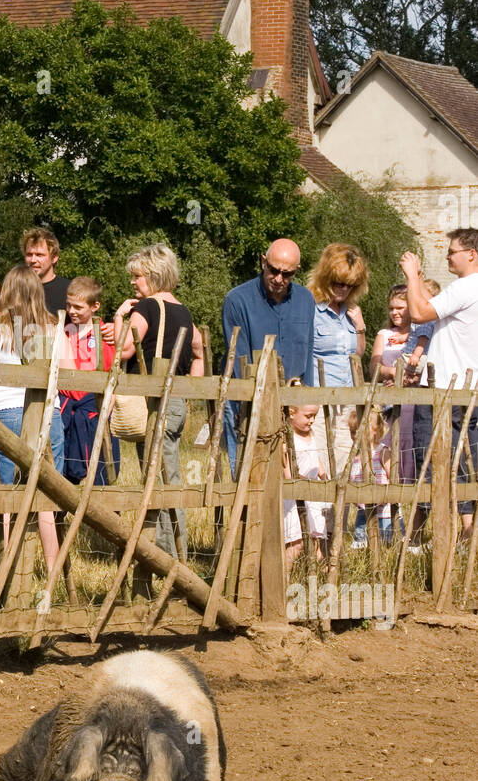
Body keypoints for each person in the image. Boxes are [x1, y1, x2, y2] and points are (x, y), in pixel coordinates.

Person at [0, 264, 73, 573]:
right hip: (47, 413)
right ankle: (51, 565)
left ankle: (10, 564)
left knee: (10, 492)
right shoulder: (52, 327)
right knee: (45, 493)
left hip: (6, 413)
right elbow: (71, 370)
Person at [113, 243, 203, 557]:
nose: (133, 283)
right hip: (176, 400)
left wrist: (120, 316)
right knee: (167, 472)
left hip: (153, 403)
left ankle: (170, 554)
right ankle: (167, 547)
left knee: (161, 477)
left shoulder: (147, 308)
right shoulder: (183, 310)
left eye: (137, 277)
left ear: (152, 275)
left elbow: (124, 349)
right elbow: (199, 349)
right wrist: (190, 387)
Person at [401, 232, 478, 539]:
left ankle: (418, 538)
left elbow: (419, 312)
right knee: (467, 462)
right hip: (468, 390)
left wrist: (411, 276)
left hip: (444, 389)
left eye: (451, 252)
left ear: (471, 254)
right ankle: (466, 537)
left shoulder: (465, 287)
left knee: (429, 459)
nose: (447, 257)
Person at [221, 239, 315, 474]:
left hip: (293, 406)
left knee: (293, 481)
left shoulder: (306, 300)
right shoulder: (237, 301)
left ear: (297, 271)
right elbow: (240, 363)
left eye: (287, 274)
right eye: (274, 270)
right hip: (248, 405)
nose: (279, 278)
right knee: (248, 476)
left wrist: (307, 399)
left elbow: (308, 351)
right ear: (263, 262)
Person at [306, 243, 369, 478]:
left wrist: (360, 328)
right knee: (318, 465)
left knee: (344, 466)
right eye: (338, 282)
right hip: (320, 400)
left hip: (347, 400)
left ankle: (338, 516)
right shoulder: (310, 308)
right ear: (326, 277)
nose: (343, 289)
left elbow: (357, 355)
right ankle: (317, 515)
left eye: (350, 285)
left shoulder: (350, 312)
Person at [60, 276, 120, 485]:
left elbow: (110, 370)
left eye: (78, 306)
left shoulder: (105, 335)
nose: (71, 311)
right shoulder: (63, 330)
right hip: (65, 404)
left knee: (100, 461)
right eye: (68, 305)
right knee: (63, 464)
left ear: (95, 306)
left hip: (93, 405)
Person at [368, 283, 430, 484]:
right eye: (391, 308)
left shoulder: (421, 336)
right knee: (389, 452)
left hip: (414, 406)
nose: (394, 312)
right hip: (391, 407)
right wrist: (394, 372)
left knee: (414, 453)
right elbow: (374, 368)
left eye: (400, 308)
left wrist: (404, 379)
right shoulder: (384, 335)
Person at [282, 382, 327, 573]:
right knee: (296, 543)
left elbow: (315, 457)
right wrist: (302, 482)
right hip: (294, 500)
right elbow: (287, 473)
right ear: (292, 413)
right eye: (308, 416)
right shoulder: (287, 439)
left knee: (314, 540)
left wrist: (322, 472)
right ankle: (282, 583)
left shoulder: (311, 434)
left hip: (312, 497)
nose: (312, 420)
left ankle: (325, 577)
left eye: (314, 416)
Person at [347, 407, 393, 547]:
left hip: (384, 513)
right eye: (353, 431)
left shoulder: (382, 452)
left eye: (360, 432)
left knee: (385, 544)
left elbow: (393, 477)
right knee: (361, 544)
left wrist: (386, 494)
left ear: (377, 430)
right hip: (363, 510)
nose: (356, 435)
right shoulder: (355, 454)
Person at [22, 227, 69, 317]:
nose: (33, 260)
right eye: (29, 254)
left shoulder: (69, 290)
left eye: (39, 255)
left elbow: (88, 324)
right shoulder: (17, 288)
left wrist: (103, 328)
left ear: (54, 258)